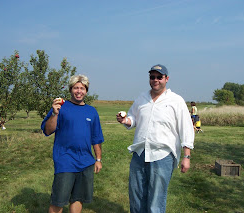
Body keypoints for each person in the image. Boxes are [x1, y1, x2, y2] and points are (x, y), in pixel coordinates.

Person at [116, 64, 194, 213]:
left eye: (159, 77)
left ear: (167, 79)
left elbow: (186, 129)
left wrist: (186, 156)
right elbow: (133, 117)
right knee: (136, 195)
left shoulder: (176, 101)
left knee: (156, 199)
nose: (155, 80)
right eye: (152, 77)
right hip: (140, 153)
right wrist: (126, 120)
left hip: (162, 156)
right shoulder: (142, 98)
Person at [41, 74, 104, 213]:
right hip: (65, 161)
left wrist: (98, 159)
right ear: (70, 89)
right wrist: (54, 114)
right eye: (76, 88)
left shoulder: (91, 111)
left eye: (82, 88)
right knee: (58, 200)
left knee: (78, 198)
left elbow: (96, 138)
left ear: (86, 91)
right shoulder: (61, 107)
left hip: (86, 162)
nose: (79, 91)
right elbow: (47, 130)